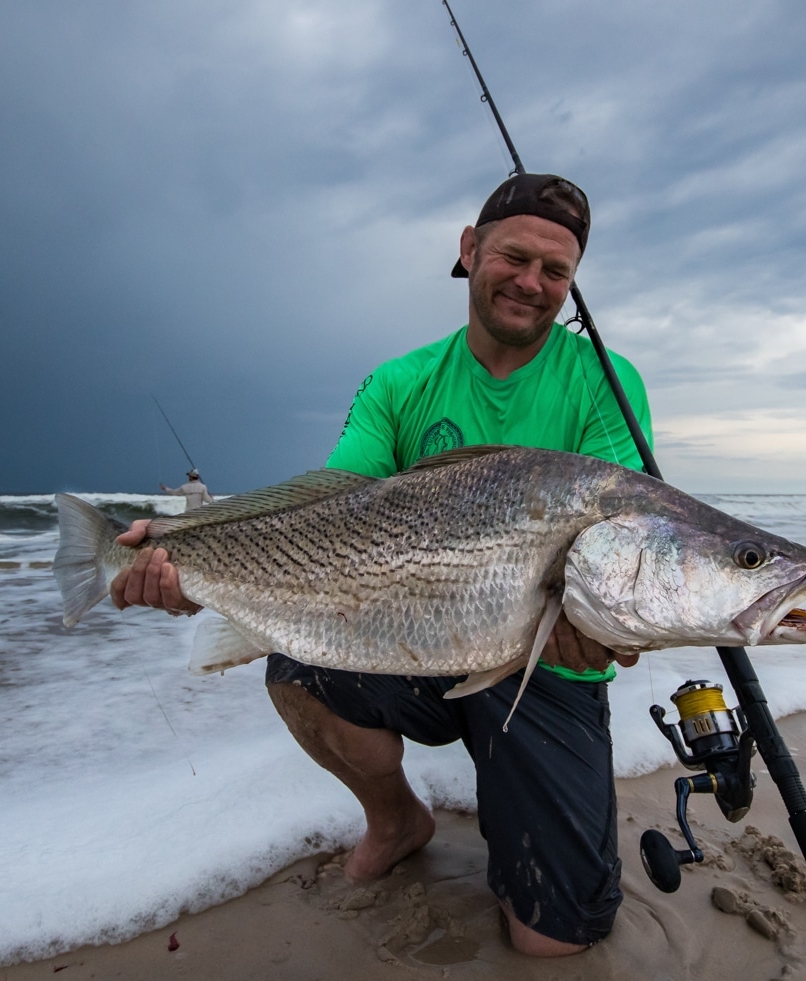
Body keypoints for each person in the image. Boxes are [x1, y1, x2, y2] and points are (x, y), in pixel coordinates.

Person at [110, 173, 651, 957]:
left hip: (547, 669)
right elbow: (324, 514)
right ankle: (397, 819)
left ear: (572, 285)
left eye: (557, 271)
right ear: (469, 251)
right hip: (413, 641)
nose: (533, 283)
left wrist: (608, 624)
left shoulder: (605, 382)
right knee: (298, 667)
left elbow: (622, 540)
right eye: (514, 256)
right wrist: (189, 562)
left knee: (551, 941)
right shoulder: (400, 383)